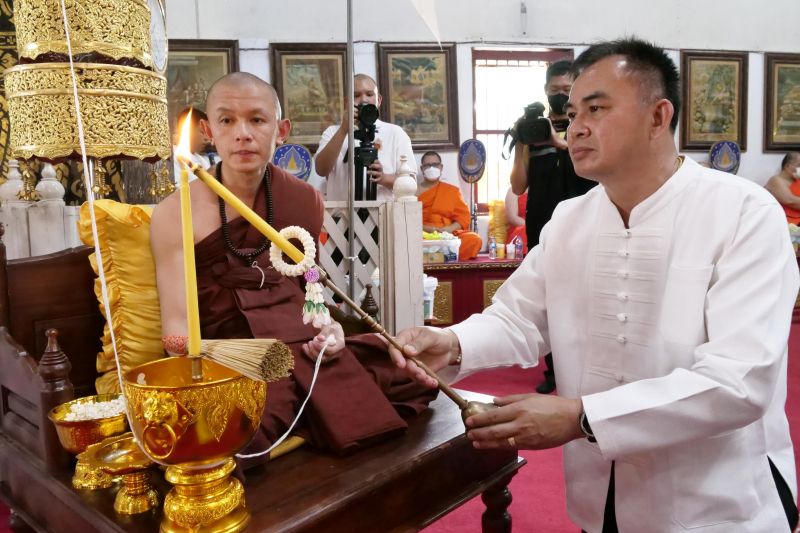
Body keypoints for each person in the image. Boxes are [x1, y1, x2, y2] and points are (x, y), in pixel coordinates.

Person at [389, 38, 799, 533]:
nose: (575, 125)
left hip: (718, 503)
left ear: (657, 116)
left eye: (597, 108)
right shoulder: (570, 219)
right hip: (600, 494)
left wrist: (582, 418)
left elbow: (740, 382)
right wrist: (453, 342)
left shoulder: (742, 214)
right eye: (571, 110)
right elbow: (520, 316)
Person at [150, 73, 437, 473]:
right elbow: (176, 326)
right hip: (233, 350)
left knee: (401, 375)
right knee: (245, 422)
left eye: (257, 120)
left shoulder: (302, 199)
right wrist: (207, 369)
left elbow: (310, 289)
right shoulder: (173, 214)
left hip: (300, 341)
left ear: (281, 131)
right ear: (207, 131)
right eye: (227, 121)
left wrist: (331, 330)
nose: (243, 135)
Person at [509, 59, 598, 394]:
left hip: (584, 222)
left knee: (586, 294)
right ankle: (556, 370)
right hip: (543, 224)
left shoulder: (587, 127)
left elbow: (593, 172)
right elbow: (519, 186)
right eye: (554, 90)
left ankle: (588, 367)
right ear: (545, 90)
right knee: (550, 297)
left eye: (566, 90)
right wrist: (522, 143)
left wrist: (558, 141)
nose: (560, 96)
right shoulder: (533, 129)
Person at [314, 74, 416, 202]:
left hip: (383, 216)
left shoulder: (395, 133)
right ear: (347, 102)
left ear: (378, 100)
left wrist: (383, 178)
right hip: (343, 217)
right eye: (356, 96)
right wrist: (344, 129)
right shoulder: (333, 132)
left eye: (369, 94)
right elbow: (321, 170)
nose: (363, 100)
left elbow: (411, 182)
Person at [417, 151, 482, 260]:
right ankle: (445, 253)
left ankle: (436, 254)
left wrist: (448, 229)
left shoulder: (452, 191)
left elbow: (463, 218)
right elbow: (408, 221)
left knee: (474, 239)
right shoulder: (413, 191)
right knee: (409, 241)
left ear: (441, 167)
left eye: (435, 164)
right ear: (422, 168)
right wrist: (429, 229)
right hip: (423, 234)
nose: (432, 168)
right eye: (428, 165)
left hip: (447, 234)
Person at [172, 108, 213, 181]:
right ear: (187, 130)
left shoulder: (203, 160)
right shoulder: (171, 158)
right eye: (202, 132)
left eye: (208, 133)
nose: (207, 138)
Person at [765, 152, 800, 224]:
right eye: (799, 165)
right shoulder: (775, 180)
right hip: (785, 222)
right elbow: (790, 201)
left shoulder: (797, 181)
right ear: (787, 166)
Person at [504, 186, 528, 251]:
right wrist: (532, 228)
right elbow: (513, 218)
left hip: (542, 226)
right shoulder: (513, 190)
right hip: (521, 227)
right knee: (523, 231)